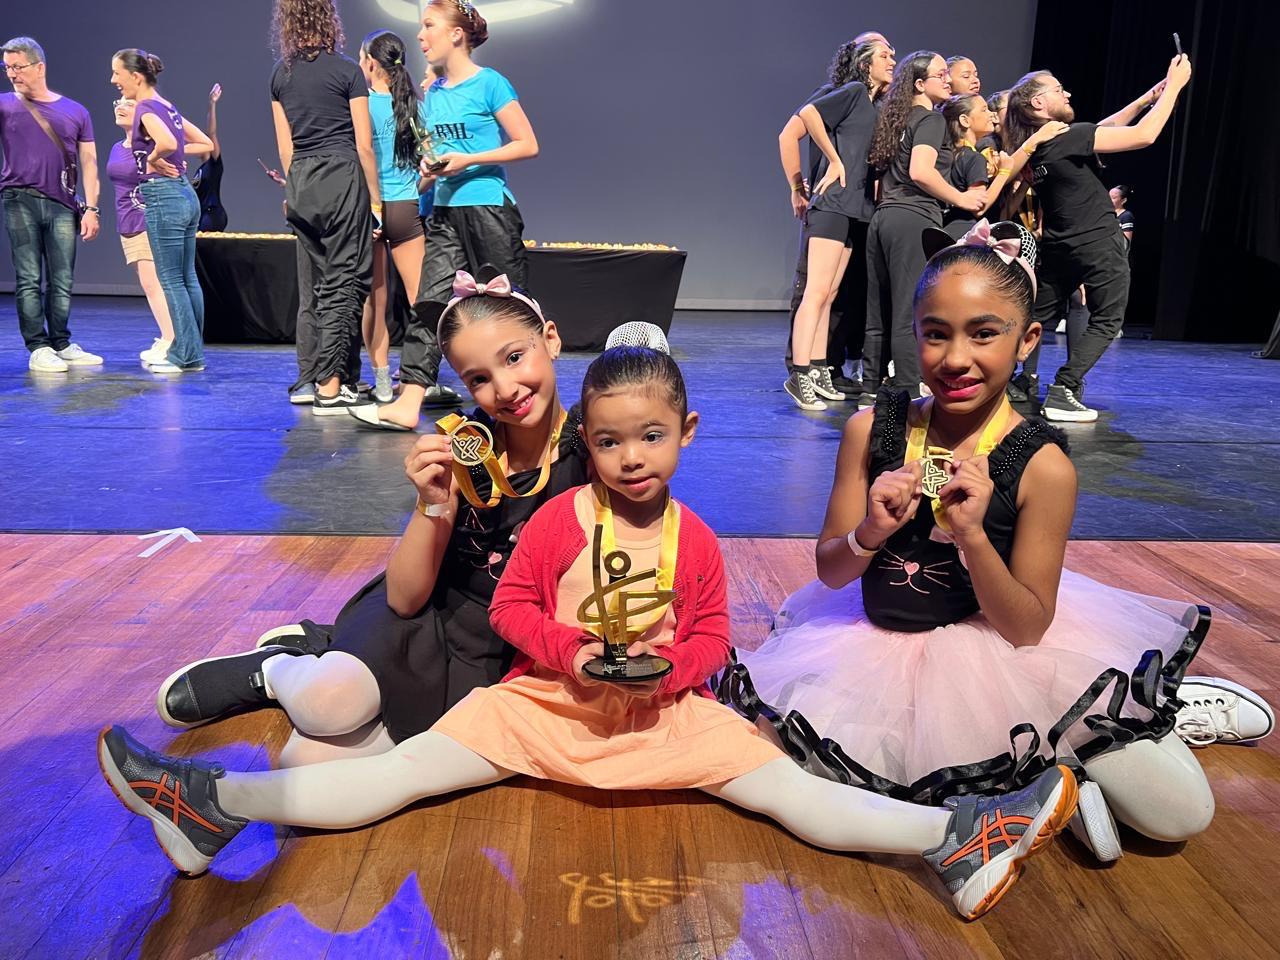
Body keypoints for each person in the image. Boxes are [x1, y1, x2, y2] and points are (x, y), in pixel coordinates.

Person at [100, 339, 1080, 922]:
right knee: (399, 777)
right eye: (607, 441)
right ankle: (214, 802)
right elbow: (514, 611)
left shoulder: (697, 538)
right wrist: (571, 653)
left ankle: (953, 839)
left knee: (789, 793)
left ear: (686, 434)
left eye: (650, 437)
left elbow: (711, 636)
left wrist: (671, 668)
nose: (630, 458)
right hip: (543, 706)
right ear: (587, 443)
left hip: (661, 717)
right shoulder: (559, 521)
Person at [723, 222, 1262, 864]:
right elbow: (832, 571)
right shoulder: (871, 430)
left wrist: (974, 538)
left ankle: (1157, 713)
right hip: (871, 643)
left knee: (1178, 816)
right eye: (936, 333)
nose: (956, 359)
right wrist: (870, 532)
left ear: (1027, 339)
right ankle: (1060, 785)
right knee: (814, 768)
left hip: (1002, 650)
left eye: (984, 333)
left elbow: (1027, 627)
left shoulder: (1043, 467)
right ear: (914, 332)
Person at [152, 271, 588, 767]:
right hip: (430, 618)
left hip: (521, 646)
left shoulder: (598, 449)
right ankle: (276, 670)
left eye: (514, 357)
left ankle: (323, 647)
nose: (505, 388)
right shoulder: (464, 451)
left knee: (305, 763)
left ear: (550, 340)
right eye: (478, 379)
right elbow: (405, 599)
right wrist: (432, 503)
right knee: (323, 709)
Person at [357, 0, 539, 431]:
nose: (420, 36)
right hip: (442, 212)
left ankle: (532, 399)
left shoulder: (489, 83)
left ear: (456, 34)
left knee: (510, 306)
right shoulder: (434, 93)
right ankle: (409, 401)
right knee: (429, 303)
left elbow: (527, 144)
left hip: (488, 208)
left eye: (429, 25)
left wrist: (468, 160)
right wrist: (430, 169)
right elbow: (437, 155)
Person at [1003, 56, 1192, 420]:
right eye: (1059, 90)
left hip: (1059, 245)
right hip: (1097, 242)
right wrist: (1175, 87)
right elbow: (1144, 135)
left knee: (1034, 315)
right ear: (1038, 103)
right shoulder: (1066, 137)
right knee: (1108, 319)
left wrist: (1146, 99)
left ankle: (1001, 379)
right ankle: (1064, 389)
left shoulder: (1040, 146)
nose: (1067, 93)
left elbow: (1101, 131)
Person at [270, 0, 381, 414]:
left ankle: (320, 378)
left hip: (302, 180)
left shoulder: (281, 74)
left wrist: (294, 188)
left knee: (316, 286)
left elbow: (286, 148)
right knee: (344, 282)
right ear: (328, 19)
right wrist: (376, 199)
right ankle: (330, 386)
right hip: (341, 176)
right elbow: (364, 145)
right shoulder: (347, 71)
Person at [860, 51, 985, 404]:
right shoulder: (930, 119)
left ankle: (870, 388)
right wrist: (962, 199)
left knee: (878, 311)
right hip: (913, 217)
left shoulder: (895, 121)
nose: (947, 80)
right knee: (906, 310)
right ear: (919, 84)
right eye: (940, 74)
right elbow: (921, 171)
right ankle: (910, 389)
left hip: (884, 218)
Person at [781, 39, 894, 411]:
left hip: (854, 208)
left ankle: (817, 368)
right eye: (884, 55)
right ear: (865, 64)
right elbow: (809, 114)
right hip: (832, 204)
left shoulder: (872, 104)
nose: (892, 60)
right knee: (816, 291)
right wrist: (833, 160)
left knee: (829, 294)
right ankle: (799, 374)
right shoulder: (854, 90)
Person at [1, 36, 102, 373]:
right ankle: (38, 346)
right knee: (29, 277)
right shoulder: (5, 105)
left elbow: (89, 163)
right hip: (19, 199)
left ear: (39, 67)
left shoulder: (76, 111)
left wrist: (92, 208)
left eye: (18, 67)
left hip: (63, 203)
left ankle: (61, 342)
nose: (12, 74)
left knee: (62, 279)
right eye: (7, 67)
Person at [110, 49, 215, 374]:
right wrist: (168, 154)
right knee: (187, 277)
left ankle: (183, 355)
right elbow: (201, 143)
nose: (113, 80)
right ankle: (193, 353)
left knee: (170, 279)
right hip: (184, 193)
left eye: (117, 73)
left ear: (135, 76)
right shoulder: (167, 106)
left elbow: (168, 142)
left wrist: (154, 159)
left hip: (163, 194)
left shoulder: (145, 107)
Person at [354, 29, 429, 408]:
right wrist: (415, 187)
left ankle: (382, 381)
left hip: (373, 209)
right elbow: (431, 161)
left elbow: (361, 152)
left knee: (376, 302)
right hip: (406, 207)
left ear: (370, 63)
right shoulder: (415, 104)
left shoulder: (361, 104)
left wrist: (374, 204)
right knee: (421, 300)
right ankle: (423, 378)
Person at [941, 94, 1066, 238]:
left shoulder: (956, 155)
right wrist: (1004, 171)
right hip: (965, 234)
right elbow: (979, 208)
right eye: (984, 110)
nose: (991, 114)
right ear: (965, 120)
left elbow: (999, 215)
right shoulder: (974, 158)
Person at [191, 83, 228, 232]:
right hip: (202, 216)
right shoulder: (199, 170)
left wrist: (212, 103)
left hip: (212, 214)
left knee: (206, 244)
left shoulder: (214, 164)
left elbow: (211, 133)